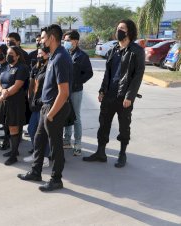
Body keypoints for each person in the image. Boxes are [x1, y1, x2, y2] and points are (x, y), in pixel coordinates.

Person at [17, 24, 72, 192]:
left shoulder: (61, 57)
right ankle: (36, 172)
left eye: (43, 37)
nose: (41, 40)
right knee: (39, 141)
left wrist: (51, 114)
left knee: (55, 146)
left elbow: (64, 92)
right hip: (46, 106)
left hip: (55, 108)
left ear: (52, 38)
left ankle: (56, 179)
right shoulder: (54, 56)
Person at [83, 19, 145, 168]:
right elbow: (107, 74)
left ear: (129, 31)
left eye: (122, 28)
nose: (119, 31)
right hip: (109, 95)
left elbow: (138, 75)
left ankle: (122, 154)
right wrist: (102, 90)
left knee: (124, 126)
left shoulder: (136, 51)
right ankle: (100, 152)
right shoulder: (113, 50)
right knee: (103, 124)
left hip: (124, 97)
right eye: (118, 28)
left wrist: (130, 96)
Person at [0, 46, 29, 165]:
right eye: (7, 54)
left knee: (14, 128)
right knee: (8, 126)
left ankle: (14, 155)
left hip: (16, 102)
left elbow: (16, 86)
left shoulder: (22, 68)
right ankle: (13, 150)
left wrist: (3, 95)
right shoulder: (5, 67)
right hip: (5, 101)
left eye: (11, 54)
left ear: (18, 56)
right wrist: (2, 91)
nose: (8, 56)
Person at [62, 30, 93, 156]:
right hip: (64, 90)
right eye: (65, 40)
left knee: (75, 117)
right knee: (66, 115)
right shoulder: (64, 54)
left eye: (68, 40)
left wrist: (77, 82)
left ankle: (78, 143)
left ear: (76, 41)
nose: (66, 42)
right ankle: (67, 139)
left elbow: (89, 73)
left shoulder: (82, 56)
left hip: (75, 91)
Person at [23, 48, 51, 168]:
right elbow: (31, 84)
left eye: (42, 53)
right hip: (35, 103)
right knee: (32, 129)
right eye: (38, 53)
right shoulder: (36, 67)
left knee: (43, 131)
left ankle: (45, 157)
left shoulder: (50, 67)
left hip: (44, 103)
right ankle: (37, 152)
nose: (39, 55)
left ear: (48, 54)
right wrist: (30, 99)